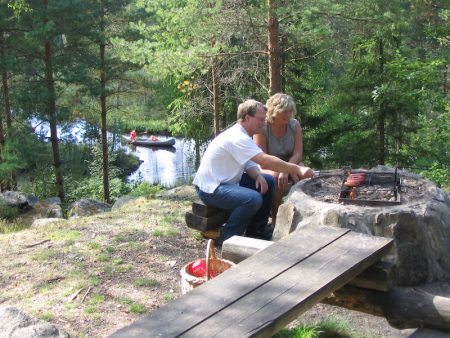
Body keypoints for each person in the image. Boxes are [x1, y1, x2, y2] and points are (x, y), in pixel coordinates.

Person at [193, 99, 314, 243]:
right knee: (252, 198)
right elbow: (264, 161)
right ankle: (229, 238)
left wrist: (257, 175)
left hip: (227, 182)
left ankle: (257, 230)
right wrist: (297, 168)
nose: (264, 123)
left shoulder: (244, 134)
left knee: (268, 180)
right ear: (247, 118)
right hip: (211, 188)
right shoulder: (238, 137)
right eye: (261, 119)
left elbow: (248, 161)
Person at [253, 93, 307, 225]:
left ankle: (301, 215)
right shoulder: (263, 127)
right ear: (274, 111)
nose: (288, 115)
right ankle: (276, 217)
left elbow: (298, 154)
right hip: (267, 165)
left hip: (289, 164)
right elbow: (262, 158)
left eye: (290, 111)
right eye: (285, 111)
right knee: (277, 177)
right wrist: (284, 169)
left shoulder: (295, 125)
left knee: (303, 171)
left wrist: (288, 168)